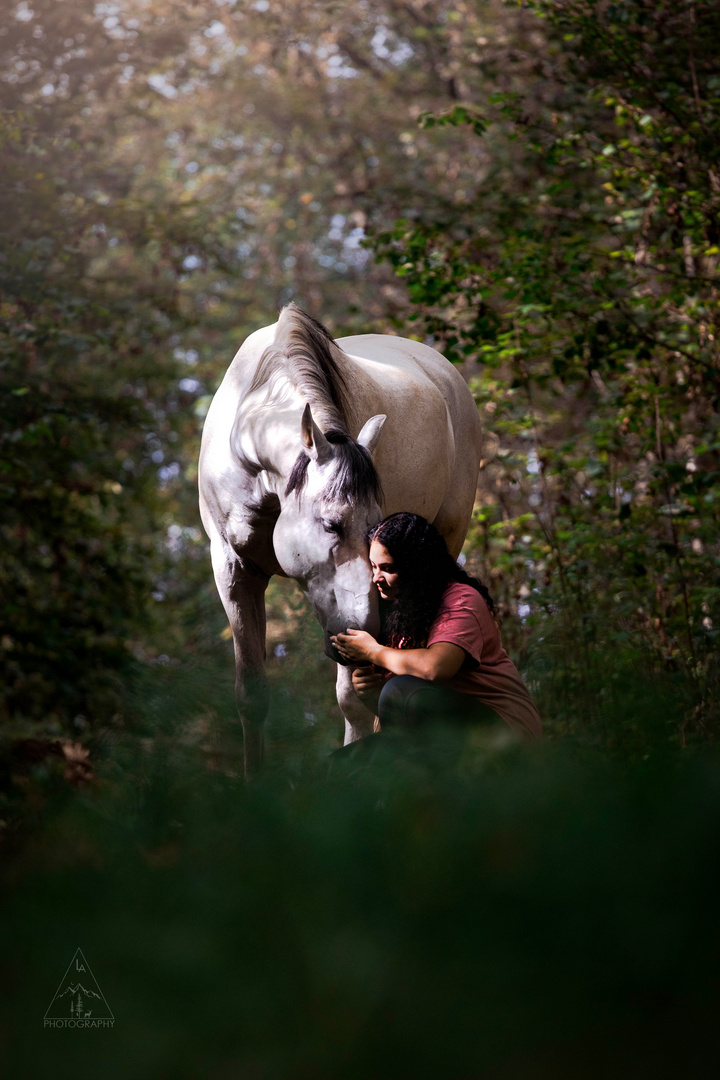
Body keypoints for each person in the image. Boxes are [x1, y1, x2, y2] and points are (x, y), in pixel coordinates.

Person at [331, 513, 541, 740]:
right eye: (374, 566)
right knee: (342, 767)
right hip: (454, 734)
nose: (376, 578)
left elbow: (434, 668)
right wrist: (371, 693)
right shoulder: (403, 611)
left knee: (400, 691)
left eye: (388, 569)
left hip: (506, 733)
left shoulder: (461, 600)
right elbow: (407, 715)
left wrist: (372, 651)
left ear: (417, 569)